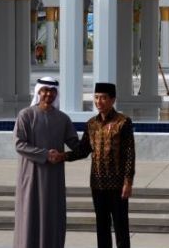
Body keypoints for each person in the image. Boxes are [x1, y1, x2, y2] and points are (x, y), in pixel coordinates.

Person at [66, 82, 135, 248]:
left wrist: (128, 181)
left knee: (120, 226)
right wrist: (62, 156)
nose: (99, 101)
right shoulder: (91, 124)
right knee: (101, 226)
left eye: (103, 97)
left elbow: (129, 154)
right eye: (96, 97)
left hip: (118, 184)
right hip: (97, 184)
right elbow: (83, 150)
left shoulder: (123, 122)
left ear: (112, 100)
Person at [13, 77, 80, 248]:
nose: (48, 94)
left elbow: (76, 145)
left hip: (53, 178)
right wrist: (45, 154)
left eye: (52, 91)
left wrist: (97, 138)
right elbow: (19, 144)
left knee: (52, 215)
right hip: (31, 176)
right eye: (45, 90)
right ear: (38, 92)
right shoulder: (26, 115)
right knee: (30, 214)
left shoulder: (62, 119)